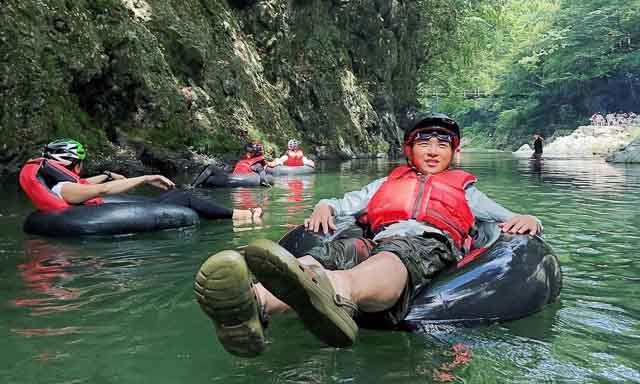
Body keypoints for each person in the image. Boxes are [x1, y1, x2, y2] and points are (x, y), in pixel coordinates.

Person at [194, 113, 541, 357]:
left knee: (395, 257)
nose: (433, 150)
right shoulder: (386, 184)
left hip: (426, 242)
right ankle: (252, 304)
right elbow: (343, 203)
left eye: (442, 144)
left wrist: (529, 218)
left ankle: (339, 294)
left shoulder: (466, 191)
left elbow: (510, 220)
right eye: (424, 142)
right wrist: (324, 207)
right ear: (409, 150)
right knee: (332, 253)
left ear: (454, 152)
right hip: (377, 238)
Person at [20, 139, 262, 221]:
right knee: (185, 197)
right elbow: (102, 190)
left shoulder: (61, 186)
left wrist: (107, 173)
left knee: (173, 196)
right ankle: (242, 217)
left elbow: (88, 184)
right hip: (102, 216)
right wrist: (146, 177)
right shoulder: (64, 188)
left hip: (102, 211)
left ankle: (230, 215)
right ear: (73, 162)